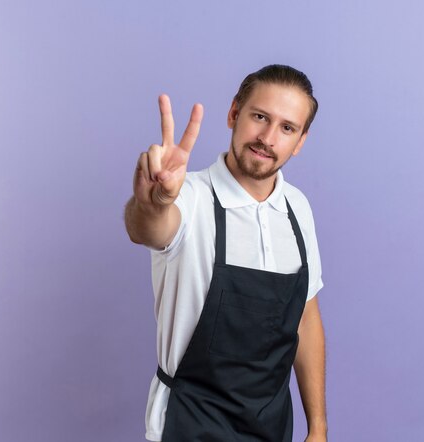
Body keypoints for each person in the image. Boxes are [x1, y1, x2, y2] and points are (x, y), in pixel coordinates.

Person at [124, 64, 327, 442]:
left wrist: (318, 426)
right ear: (234, 113)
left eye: (287, 128)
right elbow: (147, 229)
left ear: (300, 141)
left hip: (271, 426)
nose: (268, 137)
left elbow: (305, 320)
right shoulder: (190, 196)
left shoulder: (297, 208)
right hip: (190, 423)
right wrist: (152, 203)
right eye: (260, 117)